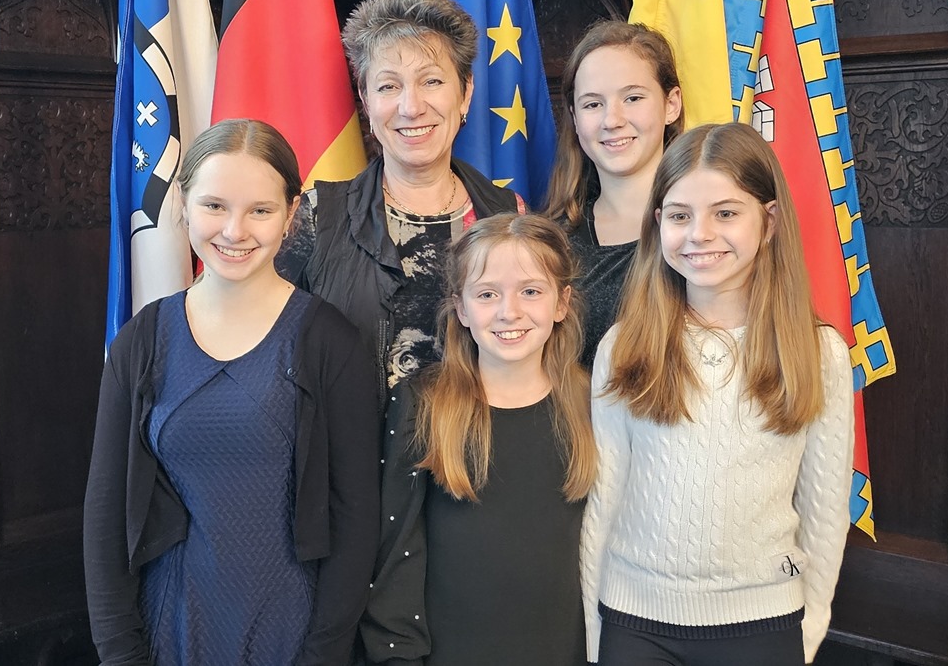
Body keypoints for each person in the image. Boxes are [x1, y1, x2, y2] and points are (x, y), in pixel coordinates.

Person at [83, 119, 380, 666]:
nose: (234, 230)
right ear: (185, 203)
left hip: (294, 633)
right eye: (215, 206)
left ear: (292, 215)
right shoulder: (141, 343)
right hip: (168, 631)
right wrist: (120, 656)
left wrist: (323, 655)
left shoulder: (330, 343)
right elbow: (105, 517)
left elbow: (357, 517)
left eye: (260, 210)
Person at [580, 123, 854, 666]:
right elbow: (604, 496)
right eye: (680, 215)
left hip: (763, 622)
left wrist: (810, 626)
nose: (700, 233)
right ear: (658, 225)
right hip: (635, 623)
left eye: (726, 213)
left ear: (769, 221)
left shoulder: (818, 352)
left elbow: (824, 509)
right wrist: (593, 626)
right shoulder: (625, 345)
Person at [361, 213, 596, 666]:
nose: (510, 312)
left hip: (566, 649)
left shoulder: (594, 403)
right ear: (461, 308)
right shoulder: (421, 404)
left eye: (531, 291)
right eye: (488, 294)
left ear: (562, 302)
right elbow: (396, 557)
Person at [279, 0, 522, 395]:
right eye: (389, 86)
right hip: (350, 455)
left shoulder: (508, 212)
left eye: (431, 81)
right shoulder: (318, 214)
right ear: (366, 100)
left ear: (465, 93)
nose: (411, 107)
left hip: (481, 452)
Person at [543, 20, 683, 368]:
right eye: (593, 104)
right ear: (574, 118)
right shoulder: (551, 243)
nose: (612, 120)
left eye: (632, 98)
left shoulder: (714, 231)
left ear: (671, 104)